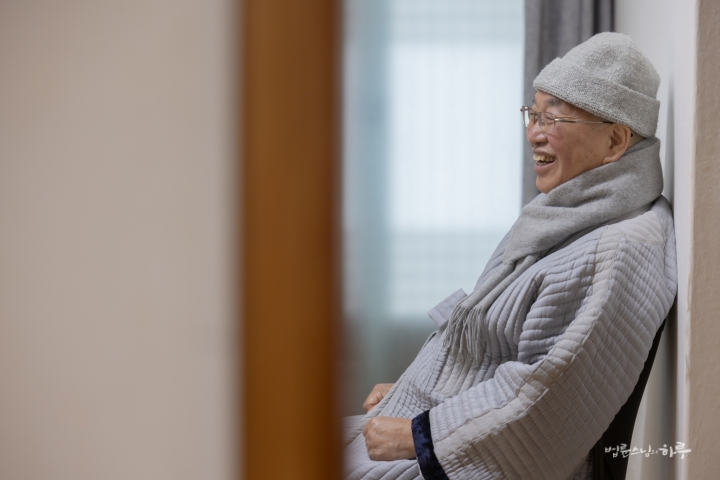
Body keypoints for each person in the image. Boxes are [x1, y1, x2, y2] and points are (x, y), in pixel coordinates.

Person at [343, 32, 677, 480]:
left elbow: (544, 401)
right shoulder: (562, 216)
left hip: (453, 457)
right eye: (533, 114)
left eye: (553, 118)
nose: (533, 133)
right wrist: (415, 388)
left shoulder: (616, 250)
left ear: (615, 140)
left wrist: (419, 435)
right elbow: (494, 347)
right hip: (440, 419)